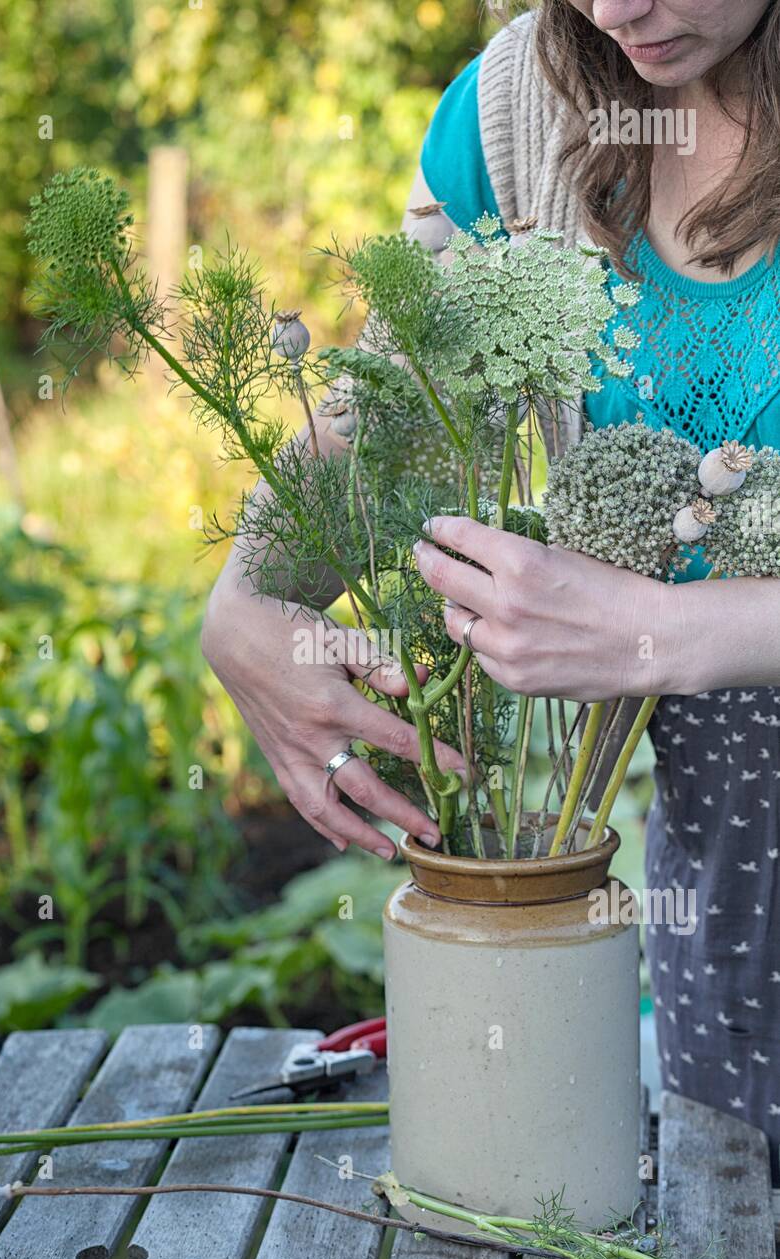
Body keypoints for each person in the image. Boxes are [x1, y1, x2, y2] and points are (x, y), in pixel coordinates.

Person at [202, 1, 780, 1171]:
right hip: (730, 902)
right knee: (727, 1223)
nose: (617, 10)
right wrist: (244, 606)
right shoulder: (523, 109)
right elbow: (396, 408)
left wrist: (668, 632)